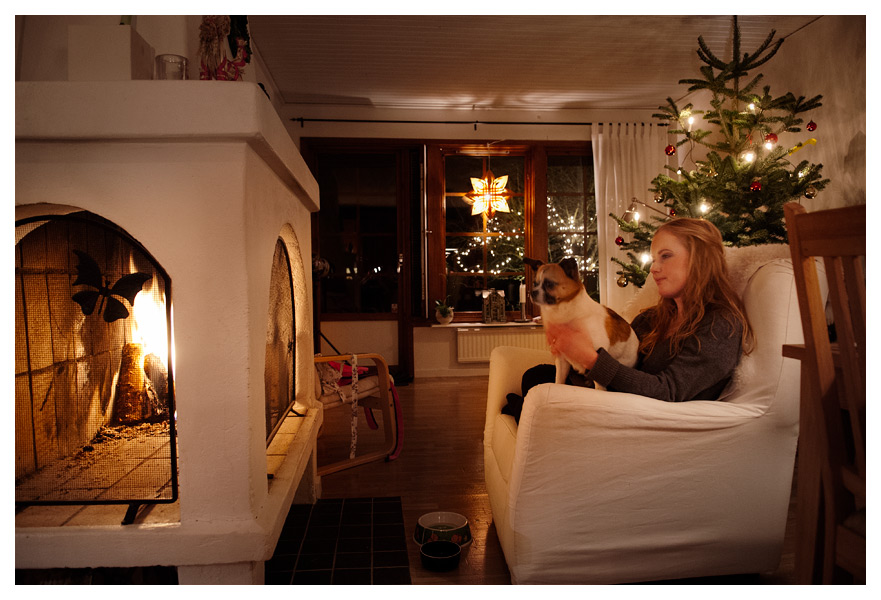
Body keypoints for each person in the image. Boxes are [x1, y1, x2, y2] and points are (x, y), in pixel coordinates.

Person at [502, 218, 753, 422]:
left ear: (700, 260)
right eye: (654, 259)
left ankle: (526, 413)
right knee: (535, 376)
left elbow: (668, 390)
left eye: (665, 256)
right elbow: (623, 355)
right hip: (620, 393)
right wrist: (571, 344)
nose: (653, 268)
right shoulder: (652, 318)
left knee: (539, 395)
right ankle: (527, 412)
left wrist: (591, 360)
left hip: (643, 412)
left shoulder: (720, 325)